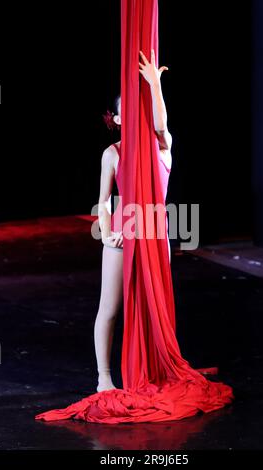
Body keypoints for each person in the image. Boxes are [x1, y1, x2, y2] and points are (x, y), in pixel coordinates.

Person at [95, 49, 172, 392]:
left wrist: (154, 84)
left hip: (155, 230)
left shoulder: (162, 147)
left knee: (156, 310)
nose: (140, 116)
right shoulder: (112, 153)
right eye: (131, 111)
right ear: (120, 119)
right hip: (124, 230)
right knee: (110, 307)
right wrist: (109, 233)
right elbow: (103, 201)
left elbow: (161, 125)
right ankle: (104, 377)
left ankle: (154, 371)